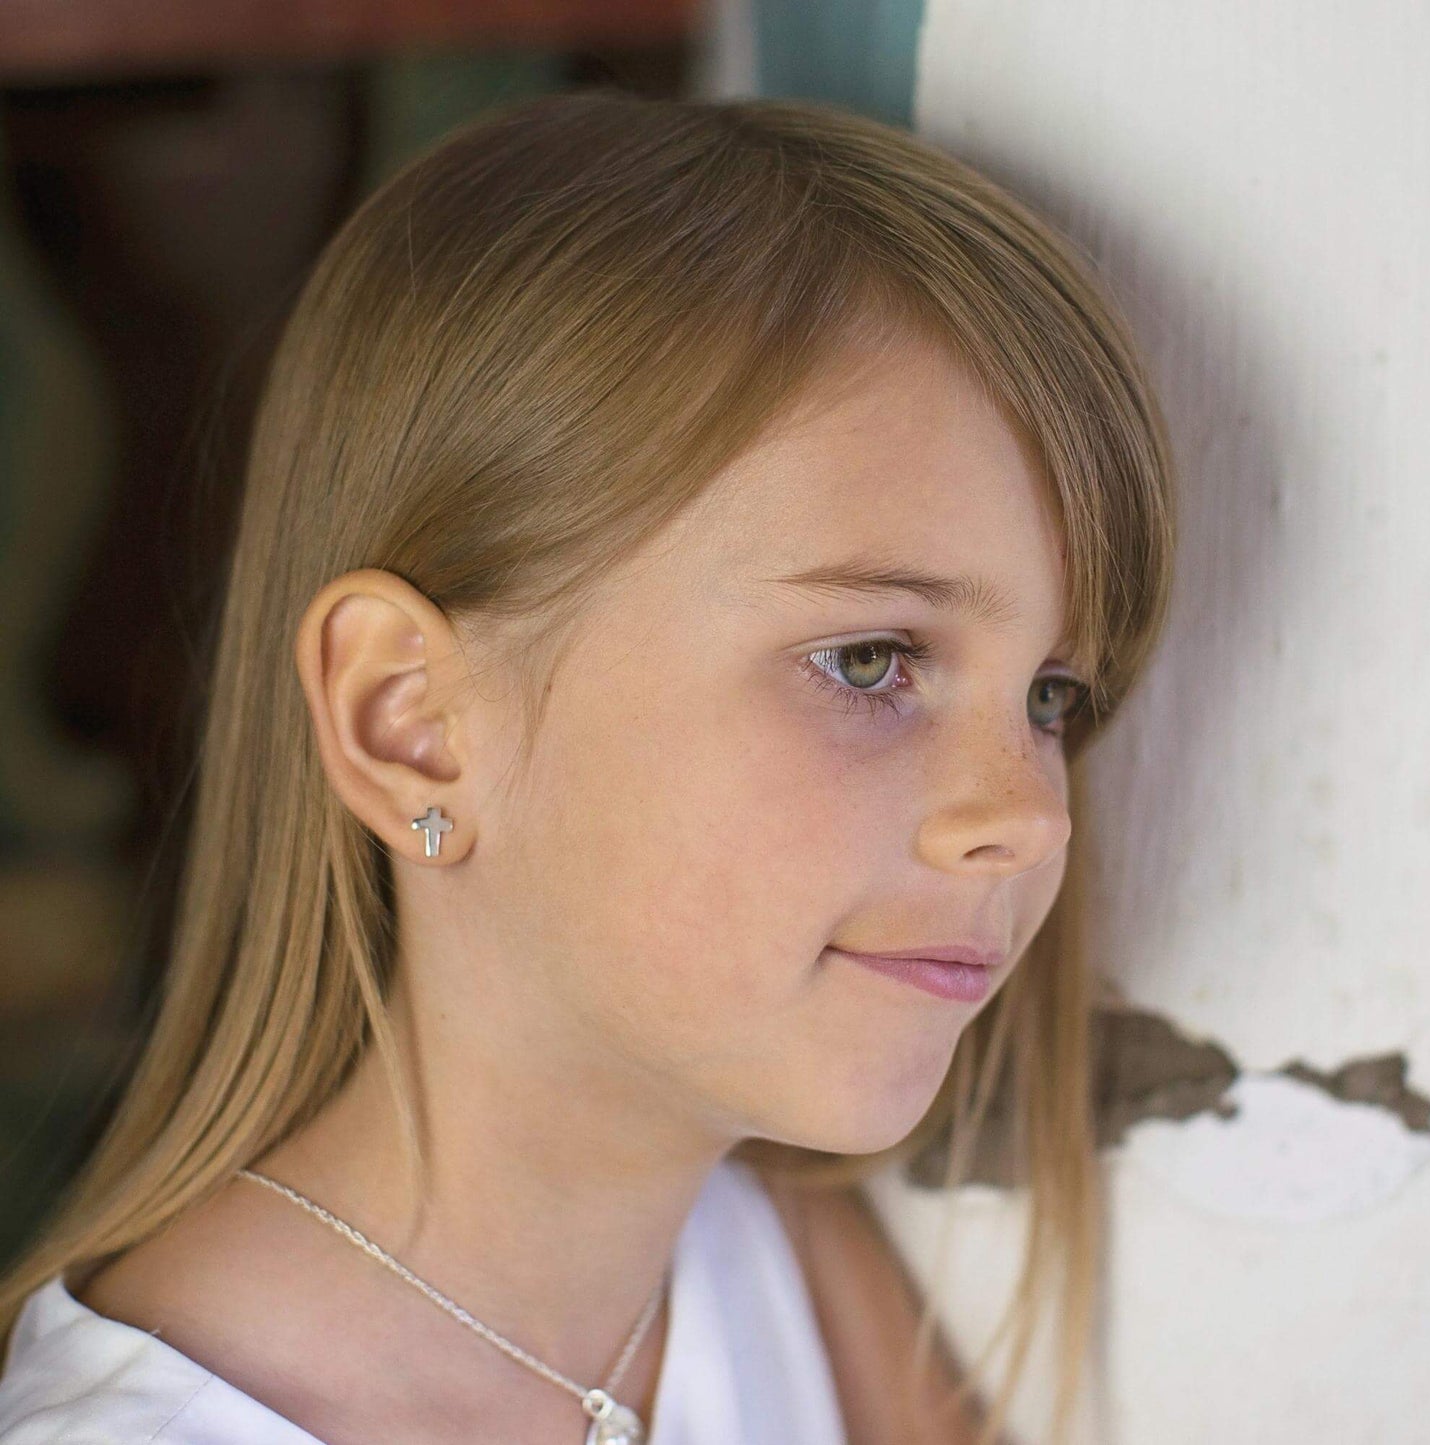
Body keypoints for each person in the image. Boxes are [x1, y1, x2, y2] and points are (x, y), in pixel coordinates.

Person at [0, 87, 1176, 1445]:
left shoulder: (779, 1262)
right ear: (413, 721)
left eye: (1051, 693)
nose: (1028, 815)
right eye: (869, 659)